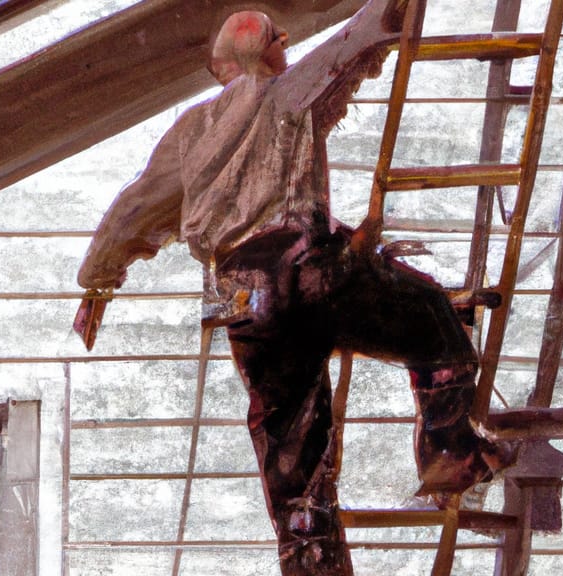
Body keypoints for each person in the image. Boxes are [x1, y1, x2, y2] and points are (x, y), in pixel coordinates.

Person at [74, 2, 512, 573]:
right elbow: (348, 48)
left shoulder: (190, 131)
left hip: (240, 298)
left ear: (218, 68)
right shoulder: (285, 92)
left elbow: (132, 209)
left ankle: (311, 563)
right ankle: (451, 451)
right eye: (279, 43)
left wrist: (96, 288)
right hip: (304, 270)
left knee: (291, 448)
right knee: (431, 314)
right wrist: (389, 11)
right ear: (272, 53)